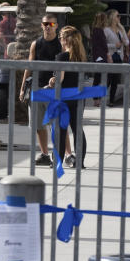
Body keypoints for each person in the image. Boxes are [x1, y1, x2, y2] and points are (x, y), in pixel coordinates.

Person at [20, 13, 61, 166]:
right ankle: (44, 154)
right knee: (38, 125)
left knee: (54, 124)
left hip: (52, 90)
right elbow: (29, 67)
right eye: (45, 24)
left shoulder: (60, 44)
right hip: (36, 89)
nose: (47, 27)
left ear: (56, 25)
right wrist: (23, 88)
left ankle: (58, 154)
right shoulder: (36, 44)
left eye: (50, 24)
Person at [48, 26, 88, 168]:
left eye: (60, 37)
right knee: (78, 129)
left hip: (63, 97)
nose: (59, 40)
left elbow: (60, 78)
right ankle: (80, 162)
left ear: (65, 39)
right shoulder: (81, 56)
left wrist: (52, 80)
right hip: (78, 96)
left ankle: (57, 162)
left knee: (60, 129)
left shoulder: (62, 56)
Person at [104, 9, 129, 106]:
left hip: (119, 56)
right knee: (108, 79)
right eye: (117, 16)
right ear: (112, 18)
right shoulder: (106, 30)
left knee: (115, 79)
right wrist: (115, 45)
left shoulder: (121, 28)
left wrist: (123, 41)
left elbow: (127, 42)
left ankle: (111, 100)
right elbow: (104, 45)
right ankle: (101, 98)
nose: (119, 18)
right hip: (110, 56)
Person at [89, 12, 109, 106]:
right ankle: (96, 99)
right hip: (100, 57)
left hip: (97, 56)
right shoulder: (99, 30)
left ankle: (97, 99)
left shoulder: (94, 30)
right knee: (98, 78)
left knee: (98, 78)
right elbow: (103, 45)